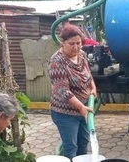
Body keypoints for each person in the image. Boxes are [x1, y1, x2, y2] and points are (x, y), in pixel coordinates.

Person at [48, 23, 97, 159]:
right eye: (71, 44)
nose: (76, 47)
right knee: (71, 147)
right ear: (62, 43)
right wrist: (81, 107)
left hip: (84, 110)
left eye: (78, 43)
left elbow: (88, 74)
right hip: (65, 113)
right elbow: (64, 92)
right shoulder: (56, 62)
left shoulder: (81, 55)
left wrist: (93, 88)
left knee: (83, 144)